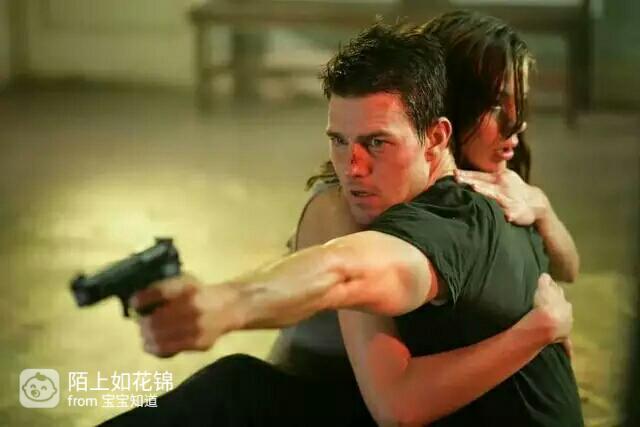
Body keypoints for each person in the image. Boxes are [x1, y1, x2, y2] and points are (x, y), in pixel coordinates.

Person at [102, 19, 581, 427]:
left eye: (376, 142)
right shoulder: (347, 206)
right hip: (320, 389)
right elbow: (343, 272)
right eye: (496, 104)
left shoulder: (495, 200)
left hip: (365, 400)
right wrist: (226, 303)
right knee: (234, 388)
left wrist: (542, 212)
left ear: (437, 134)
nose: (516, 123)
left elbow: (565, 268)